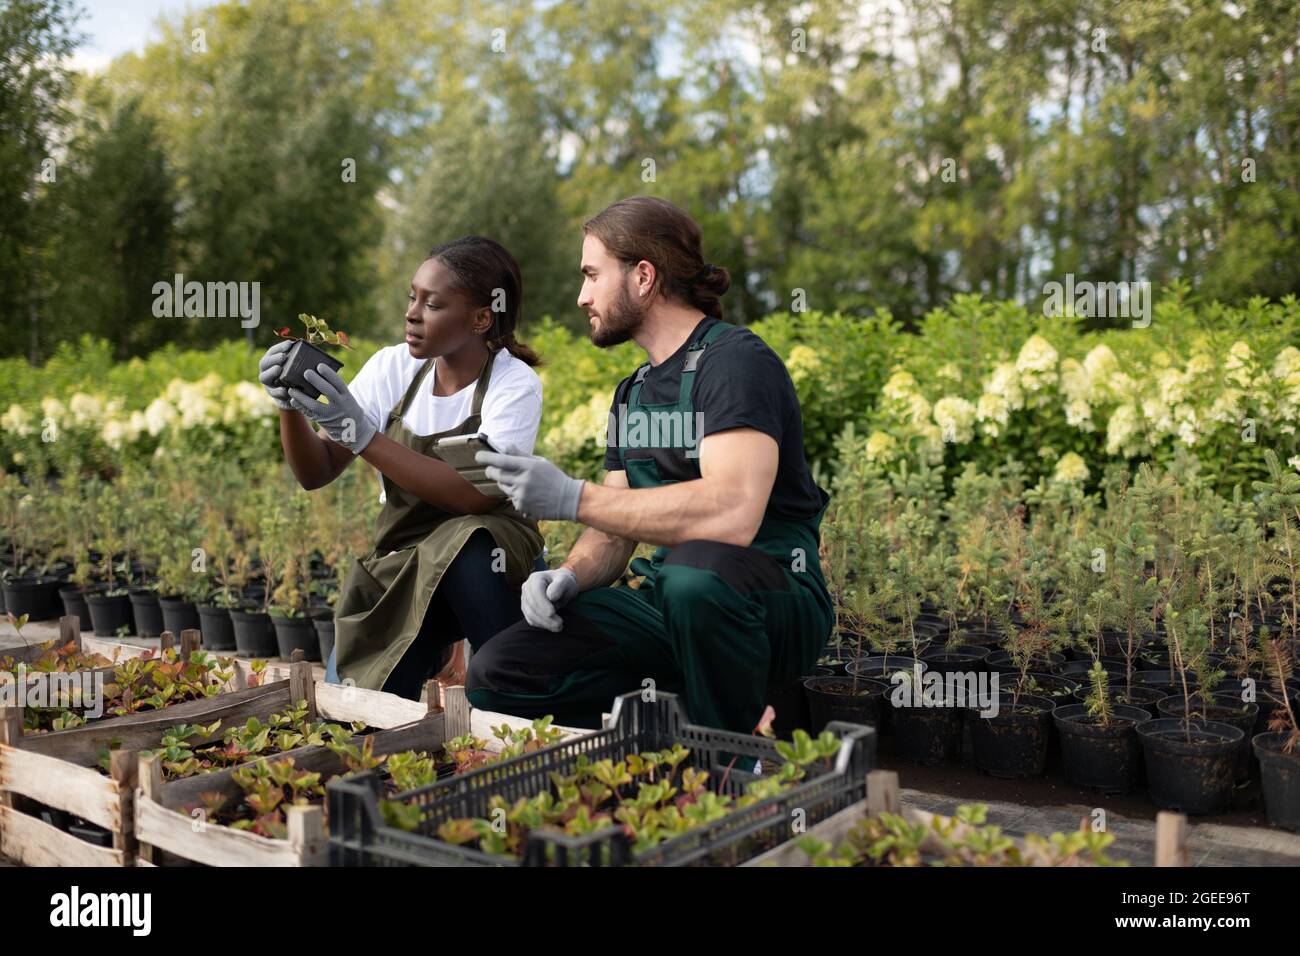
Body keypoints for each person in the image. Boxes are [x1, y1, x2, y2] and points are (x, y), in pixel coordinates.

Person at [465, 197, 833, 737]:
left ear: (642, 276)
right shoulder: (633, 392)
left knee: (694, 575)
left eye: (592, 275)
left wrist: (572, 496)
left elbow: (733, 513)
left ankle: (733, 757)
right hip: (672, 601)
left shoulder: (734, 363)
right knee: (497, 674)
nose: (581, 295)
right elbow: (614, 534)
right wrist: (569, 574)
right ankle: (669, 732)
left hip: (768, 598)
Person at [258, 236, 545, 700]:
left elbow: (474, 495)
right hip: (407, 565)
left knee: (470, 542)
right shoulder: (392, 368)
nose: (412, 313)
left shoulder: (513, 385)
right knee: (353, 704)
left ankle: (509, 689)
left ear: (479, 318)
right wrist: (289, 406)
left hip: (491, 571)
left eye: (432, 304)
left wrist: (364, 437)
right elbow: (316, 472)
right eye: (412, 297)